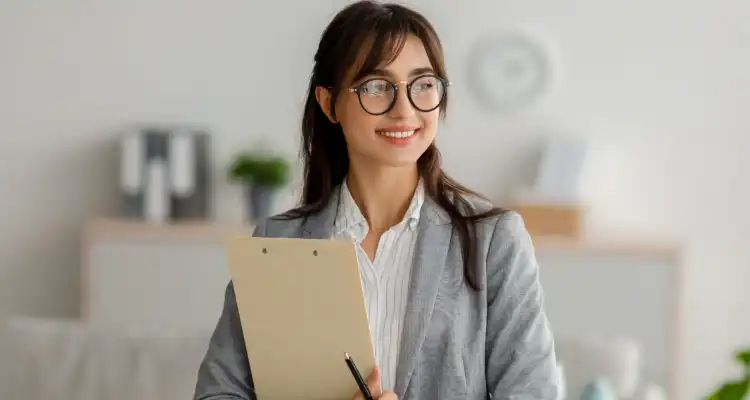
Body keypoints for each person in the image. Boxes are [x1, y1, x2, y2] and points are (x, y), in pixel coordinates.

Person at [193, 1, 560, 399]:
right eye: (375, 86)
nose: (404, 110)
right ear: (329, 102)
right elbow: (219, 393)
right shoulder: (278, 242)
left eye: (422, 85)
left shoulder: (492, 241)